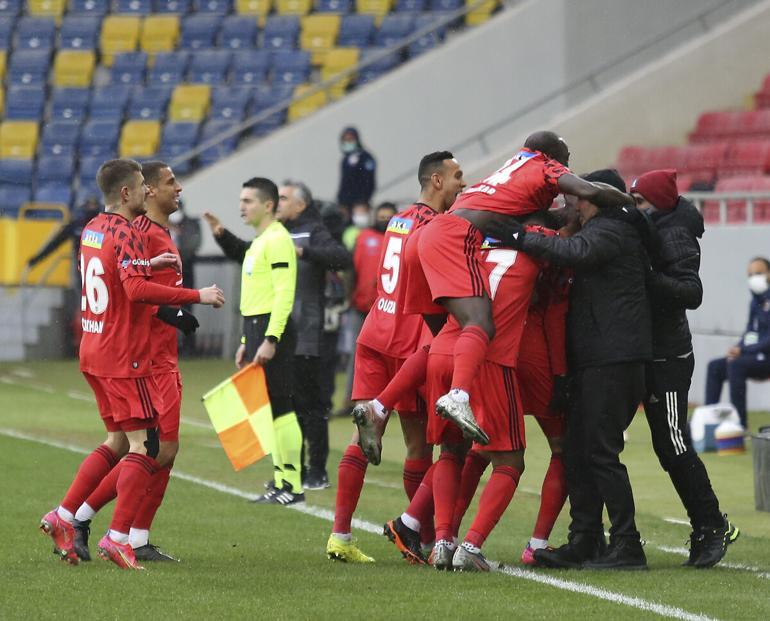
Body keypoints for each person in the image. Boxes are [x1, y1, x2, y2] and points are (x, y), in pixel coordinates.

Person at [39, 159, 225, 570]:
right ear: (127, 193)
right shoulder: (128, 230)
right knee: (149, 445)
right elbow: (136, 290)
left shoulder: (92, 227)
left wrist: (148, 265)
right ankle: (119, 537)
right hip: (124, 353)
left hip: (93, 345)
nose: (148, 192)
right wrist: (197, 297)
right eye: (144, 185)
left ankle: (66, 516)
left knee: (118, 442)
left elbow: (112, 273)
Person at [414, 131, 633, 445]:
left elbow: (547, 218)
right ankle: (458, 393)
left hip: (432, 234)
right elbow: (585, 192)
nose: (566, 171)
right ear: (553, 156)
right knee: (479, 323)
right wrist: (629, 205)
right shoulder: (544, 166)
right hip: (455, 238)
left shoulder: (513, 171)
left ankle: (381, 406)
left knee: (452, 334)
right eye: (566, 163)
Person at [326, 151, 465, 564]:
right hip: (410, 342)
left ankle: (340, 535)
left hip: (375, 331)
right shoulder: (437, 225)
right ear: (436, 181)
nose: (463, 183)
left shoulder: (398, 219)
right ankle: (415, 536)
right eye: (457, 176)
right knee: (419, 445)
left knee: (361, 434)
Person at [508, 171, 651, 570]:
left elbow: (574, 252)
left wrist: (516, 237)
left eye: (575, 197)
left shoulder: (613, 230)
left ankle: (627, 544)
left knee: (601, 451)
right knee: (578, 450)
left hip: (614, 358)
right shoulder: (610, 228)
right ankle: (585, 539)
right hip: (598, 357)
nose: (569, 204)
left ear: (593, 198)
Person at [69, 161, 200, 563]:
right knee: (155, 448)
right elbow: (137, 292)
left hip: (132, 353)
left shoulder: (133, 230)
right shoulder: (137, 233)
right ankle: (101, 525)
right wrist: (186, 308)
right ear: (142, 191)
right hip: (144, 359)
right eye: (166, 182)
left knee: (139, 445)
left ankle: (99, 524)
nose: (176, 188)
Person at [631, 168, 739, 569]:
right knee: (664, 444)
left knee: (674, 443)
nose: (634, 209)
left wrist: (646, 278)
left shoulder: (674, 234)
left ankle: (712, 525)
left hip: (669, 356)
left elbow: (691, 293)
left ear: (657, 204)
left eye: (640, 202)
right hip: (651, 350)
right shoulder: (660, 228)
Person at [203, 178, 305, 505]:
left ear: (268, 205)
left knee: (282, 406)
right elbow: (257, 295)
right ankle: (280, 480)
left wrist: (271, 338)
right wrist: (249, 338)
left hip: (273, 331)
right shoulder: (261, 241)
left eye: (248, 200)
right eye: (241, 200)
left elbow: (283, 295)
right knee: (270, 408)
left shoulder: (278, 241)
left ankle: (293, 485)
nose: (241, 206)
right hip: (258, 329)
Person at [276, 181, 352, 490]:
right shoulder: (275, 232)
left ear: (300, 204)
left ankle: (317, 469)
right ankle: (291, 468)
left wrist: (303, 251)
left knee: (312, 403)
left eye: (283, 198)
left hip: (308, 333)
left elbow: (341, 257)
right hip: (281, 333)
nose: (277, 202)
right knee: (287, 404)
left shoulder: (311, 230)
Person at [341, 202, 398, 411]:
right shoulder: (362, 238)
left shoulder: (399, 239)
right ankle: (350, 401)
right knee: (356, 356)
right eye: (381, 216)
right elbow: (350, 269)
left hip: (389, 309)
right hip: (360, 306)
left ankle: (389, 403)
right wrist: (349, 297)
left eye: (388, 217)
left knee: (391, 357)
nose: (384, 220)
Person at [704, 256, 770, 430]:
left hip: (767, 357)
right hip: (753, 355)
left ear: (769, 274)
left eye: (758, 273)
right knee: (715, 367)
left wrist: (745, 350)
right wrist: (738, 348)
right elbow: (750, 333)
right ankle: (709, 422)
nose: (754, 278)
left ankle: (740, 425)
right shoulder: (755, 302)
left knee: (736, 365)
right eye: (750, 274)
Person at [337, 127, 376, 210]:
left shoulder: (365, 158)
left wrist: (363, 200)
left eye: (350, 139)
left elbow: (369, 181)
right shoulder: (346, 159)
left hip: (360, 203)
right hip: (345, 203)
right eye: (345, 140)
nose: (347, 142)